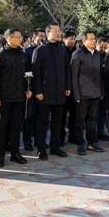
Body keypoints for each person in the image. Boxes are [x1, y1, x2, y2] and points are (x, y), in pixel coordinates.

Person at [0, 28, 30, 167]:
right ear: (9, 38)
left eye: (21, 37)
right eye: (18, 37)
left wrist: (28, 89)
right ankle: (0, 155)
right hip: (4, 98)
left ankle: (15, 153)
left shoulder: (23, 55)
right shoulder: (1, 55)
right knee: (2, 127)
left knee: (15, 126)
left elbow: (28, 74)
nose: (20, 39)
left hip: (19, 98)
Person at [32, 23, 71, 160]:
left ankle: (55, 147)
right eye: (55, 31)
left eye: (59, 31)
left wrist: (68, 86)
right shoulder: (40, 50)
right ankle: (41, 149)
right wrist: (38, 90)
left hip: (60, 92)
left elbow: (67, 69)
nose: (58, 33)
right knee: (42, 122)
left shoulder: (62, 49)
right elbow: (35, 72)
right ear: (47, 33)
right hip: (44, 92)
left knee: (57, 121)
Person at [70, 30, 105, 155]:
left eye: (94, 38)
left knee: (92, 119)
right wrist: (76, 94)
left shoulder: (97, 54)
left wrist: (101, 91)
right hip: (82, 94)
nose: (94, 41)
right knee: (80, 120)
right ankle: (80, 143)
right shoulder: (77, 54)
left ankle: (92, 142)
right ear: (84, 41)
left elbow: (100, 74)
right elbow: (74, 76)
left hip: (95, 93)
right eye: (91, 39)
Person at [22, 28, 45, 151]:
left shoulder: (46, 50)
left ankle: (38, 139)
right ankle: (27, 141)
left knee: (40, 116)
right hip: (30, 89)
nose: (42, 38)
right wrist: (28, 87)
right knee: (28, 116)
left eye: (44, 36)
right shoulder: (27, 51)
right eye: (40, 36)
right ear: (34, 37)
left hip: (42, 88)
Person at [60, 30, 77, 146]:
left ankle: (73, 135)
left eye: (74, 39)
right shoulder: (61, 51)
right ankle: (60, 137)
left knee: (74, 114)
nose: (72, 41)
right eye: (70, 39)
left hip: (75, 88)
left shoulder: (77, 52)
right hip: (63, 88)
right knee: (62, 115)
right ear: (64, 39)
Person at [95, 37, 109, 141]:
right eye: (101, 47)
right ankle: (94, 133)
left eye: (105, 47)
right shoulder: (93, 56)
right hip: (94, 89)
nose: (103, 49)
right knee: (94, 114)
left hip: (105, 89)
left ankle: (101, 131)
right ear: (96, 45)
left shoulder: (107, 57)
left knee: (103, 112)